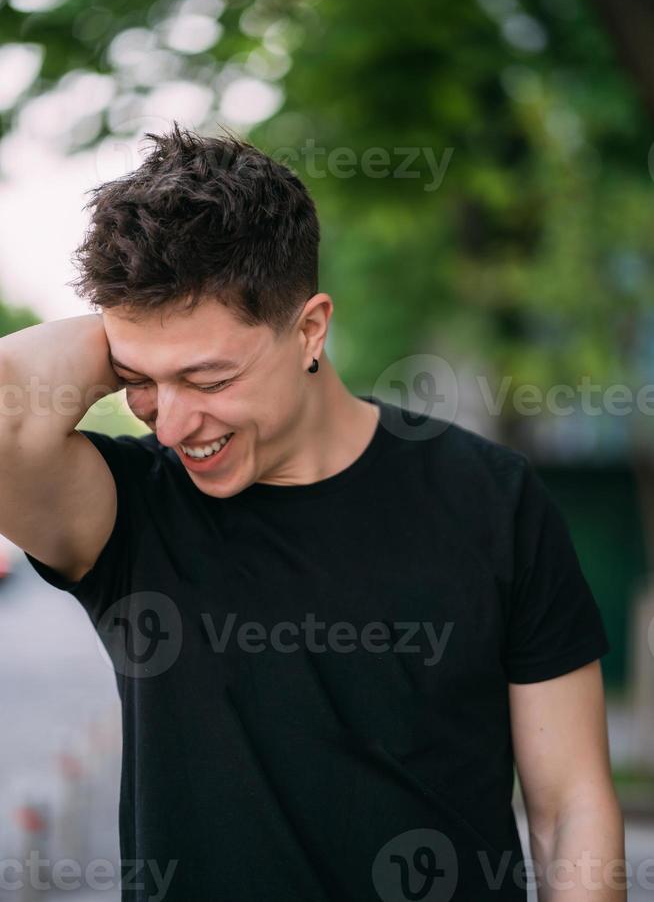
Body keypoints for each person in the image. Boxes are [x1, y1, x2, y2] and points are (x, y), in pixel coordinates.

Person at [0, 123, 625, 901]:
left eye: (209, 378)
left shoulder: (493, 499)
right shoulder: (128, 517)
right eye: (140, 381)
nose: (170, 424)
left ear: (310, 329)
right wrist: (131, 331)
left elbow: (570, 805)